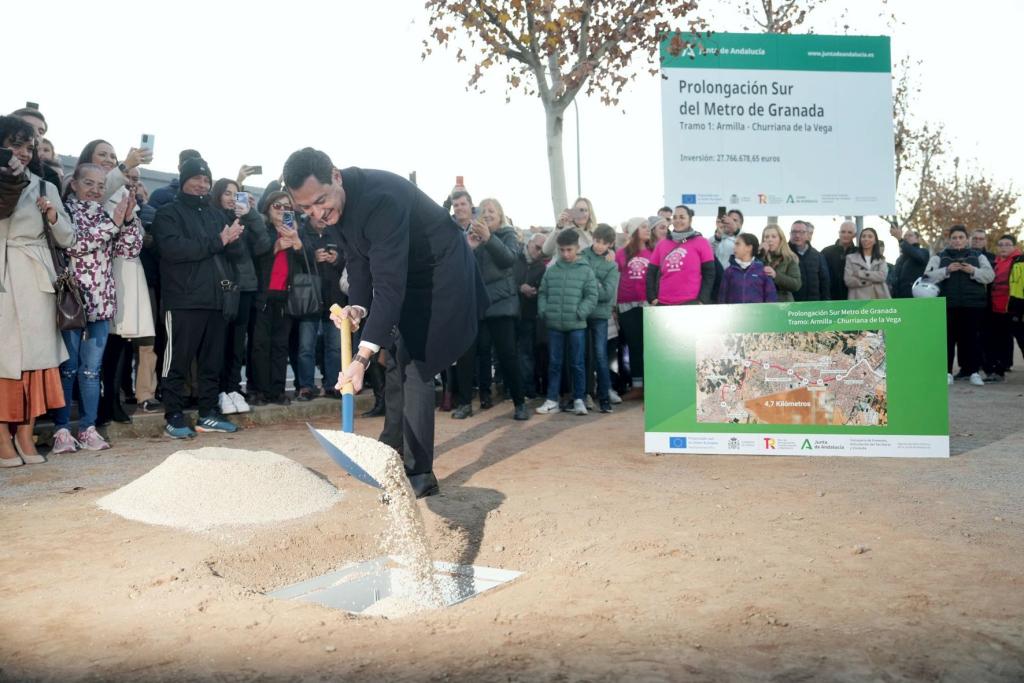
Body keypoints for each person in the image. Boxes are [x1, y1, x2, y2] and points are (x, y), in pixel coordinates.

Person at [286, 149, 485, 499]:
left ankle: (418, 472)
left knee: (416, 366)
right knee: (395, 360)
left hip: (441, 275)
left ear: (336, 176)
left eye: (320, 201)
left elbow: (390, 285)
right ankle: (391, 447)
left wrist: (361, 358)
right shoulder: (340, 207)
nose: (317, 214)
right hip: (407, 277)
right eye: (306, 209)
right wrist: (358, 308)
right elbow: (360, 264)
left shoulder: (380, 200)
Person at [0, 115, 76, 466]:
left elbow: (68, 238)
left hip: (35, 279)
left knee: (38, 362)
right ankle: (2, 436)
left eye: (29, 146)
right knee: (3, 362)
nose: (24, 152)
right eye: (16, 144)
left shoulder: (44, 186)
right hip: (3, 277)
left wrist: (53, 218)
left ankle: (26, 434)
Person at [51, 164, 143, 453]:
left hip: (101, 306)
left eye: (101, 186)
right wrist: (113, 225)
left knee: (92, 371)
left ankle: (88, 427)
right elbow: (74, 245)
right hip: (71, 305)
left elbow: (129, 250)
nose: (95, 190)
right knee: (68, 369)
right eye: (88, 183)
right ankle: (62, 429)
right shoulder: (65, 212)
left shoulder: (107, 214)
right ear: (74, 184)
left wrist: (127, 222)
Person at [152, 156, 244, 438]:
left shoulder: (217, 214)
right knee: (176, 360)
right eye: (196, 178)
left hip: (216, 300)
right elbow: (174, 250)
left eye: (206, 180)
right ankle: (173, 415)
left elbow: (233, 254)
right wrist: (219, 241)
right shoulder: (167, 213)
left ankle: (208, 413)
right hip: (183, 300)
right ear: (184, 180)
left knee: (211, 362)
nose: (202, 184)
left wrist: (235, 238)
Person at [75, 139, 154, 426]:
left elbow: (135, 236)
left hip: (121, 268)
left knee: (120, 339)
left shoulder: (121, 188)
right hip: (91, 273)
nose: (109, 159)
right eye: (102, 154)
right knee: (92, 347)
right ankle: (88, 407)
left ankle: (112, 400)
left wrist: (131, 217)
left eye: (113, 155)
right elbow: (98, 192)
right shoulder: (92, 187)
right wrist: (124, 167)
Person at [451, 198, 528, 420]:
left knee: (507, 355)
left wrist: (489, 238)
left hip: (501, 304)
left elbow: (508, 260)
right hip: (475, 303)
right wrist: (470, 247)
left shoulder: (507, 235)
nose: (488, 214)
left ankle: (519, 403)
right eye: (483, 211)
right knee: (467, 354)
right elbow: (459, 266)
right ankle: (465, 403)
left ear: (500, 214)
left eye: (492, 210)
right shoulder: (471, 237)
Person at [209, 178, 272, 414]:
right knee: (219, 345)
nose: (231, 198)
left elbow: (263, 246)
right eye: (227, 193)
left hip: (245, 288)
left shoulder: (246, 219)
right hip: (220, 289)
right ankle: (219, 391)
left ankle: (234, 388)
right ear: (217, 195)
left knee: (237, 345)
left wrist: (252, 215)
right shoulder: (211, 217)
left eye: (236, 194)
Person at [536, 229, 598, 415]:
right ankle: (552, 400)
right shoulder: (552, 270)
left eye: (569, 249)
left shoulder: (586, 270)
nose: (565, 254)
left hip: (577, 325)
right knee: (554, 363)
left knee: (578, 363)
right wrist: (544, 311)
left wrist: (580, 313)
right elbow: (543, 293)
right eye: (562, 250)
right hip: (554, 325)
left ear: (577, 248)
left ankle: (579, 399)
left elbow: (592, 296)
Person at [249, 191, 302, 406]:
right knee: (260, 345)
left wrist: (298, 244)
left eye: (287, 207)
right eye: (277, 206)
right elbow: (254, 254)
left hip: (287, 296)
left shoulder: (297, 231)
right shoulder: (262, 229)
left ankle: (277, 390)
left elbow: (309, 265)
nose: (282, 211)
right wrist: (276, 246)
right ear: (268, 209)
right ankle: (259, 390)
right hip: (263, 295)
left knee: (281, 346)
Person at [925, 225, 995, 386]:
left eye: (961, 237)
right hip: (947, 304)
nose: (957, 241)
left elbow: (990, 276)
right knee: (947, 340)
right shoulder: (939, 257)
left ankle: (973, 373)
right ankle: (947, 372)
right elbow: (927, 276)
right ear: (949, 240)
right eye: (954, 238)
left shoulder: (978, 256)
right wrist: (946, 270)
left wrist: (973, 270)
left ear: (966, 239)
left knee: (972, 340)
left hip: (973, 305)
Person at [294, 196, 346, 401]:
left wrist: (337, 259)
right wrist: (312, 257)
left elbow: (349, 260)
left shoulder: (337, 232)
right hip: (309, 298)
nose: (321, 217)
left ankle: (332, 384)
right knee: (306, 347)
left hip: (335, 299)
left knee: (335, 347)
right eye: (316, 215)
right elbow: (296, 258)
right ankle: (306, 386)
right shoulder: (302, 233)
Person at [580, 224, 620, 412]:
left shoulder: (612, 264)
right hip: (581, 314)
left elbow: (607, 294)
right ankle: (583, 396)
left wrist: (590, 282)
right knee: (582, 356)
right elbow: (576, 282)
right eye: (596, 241)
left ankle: (604, 399)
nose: (599, 245)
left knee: (600, 356)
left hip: (600, 316)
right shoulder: (581, 255)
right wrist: (597, 284)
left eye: (603, 243)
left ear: (610, 244)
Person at [646, 205, 715, 306]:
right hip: (663, 303)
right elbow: (651, 273)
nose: (678, 220)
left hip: (691, 302)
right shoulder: (662, 244)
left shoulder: (702, 242)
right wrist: (652, 298)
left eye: (682, 217)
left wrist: (702, 300)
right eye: (675, 217)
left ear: (690, 220)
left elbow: (709, 273)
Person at [616, 217, 653, 395]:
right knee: (634, 345)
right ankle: (637, 386)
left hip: (648, 304)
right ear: (634, 231)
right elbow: (615, 279)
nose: (648, 230)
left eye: (648, 227)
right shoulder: (621, 253)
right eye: (643, 227)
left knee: (651, 345)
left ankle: (652, 385)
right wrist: (613, 306)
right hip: (626, 305)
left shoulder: (654, 252)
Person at [982, 235, 1023, 382]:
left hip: (1016, 309)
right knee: (998, 342)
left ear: (1014, 247)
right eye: (1000, 245)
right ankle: (998, 372)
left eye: (1007, 245)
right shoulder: (995, 263)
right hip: (996, 309)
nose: (1003, 247)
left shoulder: (1020, 261)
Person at [513, 232, 547, 400]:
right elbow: (506, 281)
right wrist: (520, 287)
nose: (539, 252)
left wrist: (535, 291)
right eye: (537, 247)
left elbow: (544, 289)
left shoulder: (541, 267)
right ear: (529, 242)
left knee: (527, 353)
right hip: (511, 313)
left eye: (543, 249)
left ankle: (528, 389)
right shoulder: (513, 258)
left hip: (528, 314)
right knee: (510, 353)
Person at [718, 233, 777, 304]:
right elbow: (722, 297)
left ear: (749, 248)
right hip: (735, 314)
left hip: (757, 314)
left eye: (738, 244)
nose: (734, 247)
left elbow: (771, 296)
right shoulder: (729, 271)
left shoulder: (762, 271)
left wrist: (766, 313)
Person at [844, 227, 891, 300]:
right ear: (860, 240)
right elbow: (848, 280)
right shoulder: (850, 258)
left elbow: (882, 276)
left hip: (880, 299)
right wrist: (871, 280)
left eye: (870, 236)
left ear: (875, 241)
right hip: (858, 300)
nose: (866, 239)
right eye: (863, 236)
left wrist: (860, 273)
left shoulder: (881, 259)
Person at [788, 220, 830, 301]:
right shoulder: (784, 254)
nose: (797, 235)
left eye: (801, 232)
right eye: (794, 232)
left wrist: (826, 303)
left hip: (813, 306)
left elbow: (825, 282)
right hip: (791, 306)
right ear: (790, 234)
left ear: (807, 234)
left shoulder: (818, 256)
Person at [759, 224, 801, 302]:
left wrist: (775, 275)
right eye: (766, 237)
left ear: (781, 239)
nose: (769, 240)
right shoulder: (758, 258)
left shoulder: (789, 258)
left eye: (773, 236)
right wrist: (760, 255)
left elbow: (796, 284)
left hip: (782, 305)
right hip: (762, 304)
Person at [889, 226, 930, 298]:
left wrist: (900, 239)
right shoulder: (899, 259)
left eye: (910, 235)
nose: (906, 238)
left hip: (914, 296)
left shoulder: (923, 252)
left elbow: (917, 255)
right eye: (905, 236)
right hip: (898, 298)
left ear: (918, 239)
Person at [822, 220, 858, 300]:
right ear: (839, 233)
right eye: (843, 232)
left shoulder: (858, 253)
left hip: (853, 298)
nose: (846, 235)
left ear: (854, 235)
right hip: (831, 297)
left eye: (849, 232)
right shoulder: (826, 252)